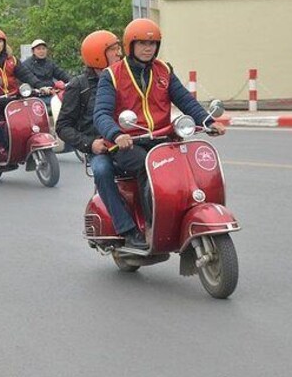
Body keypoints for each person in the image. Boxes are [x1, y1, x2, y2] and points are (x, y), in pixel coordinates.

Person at [93, 18, 226, 232]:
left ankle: (184, 213)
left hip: (162, 138)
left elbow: (185, 100)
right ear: (130, 45)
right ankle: (153, 225)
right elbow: (101, 114)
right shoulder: (112, 75)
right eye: (143, 44)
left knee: (185, 165)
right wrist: (117, 134)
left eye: (153, 43)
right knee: (149, 166)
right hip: (128, 143)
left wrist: (208, 121)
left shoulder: (164, 70)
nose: (148, 48)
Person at [56, 30, 148, 249]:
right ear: (97, 55)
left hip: (129, 141)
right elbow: (62, 126)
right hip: (100, 147)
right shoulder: (78, 86)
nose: (119, 53)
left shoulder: (126, 76)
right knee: (102, 171)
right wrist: (90, 144)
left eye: (118, 48)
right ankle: (127, 229)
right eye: (113, 50)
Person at [0, 28, 48, 158]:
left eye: (0, 41)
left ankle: (25, 141)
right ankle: (4, 145)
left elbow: (26, 75)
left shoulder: (12, 59)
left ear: (4, 43)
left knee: (28, 114)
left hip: (13, 96)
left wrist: (41, 86)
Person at [20, 39, 72, 108]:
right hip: (34, 97)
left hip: (52, 94)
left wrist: (73, 81)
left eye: (43, 49)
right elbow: (28, 79)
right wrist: (39, 88)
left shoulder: (50, 63)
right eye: (38, 49)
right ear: (33, 51)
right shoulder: (26, 65)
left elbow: (61, 74)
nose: (41, 51)